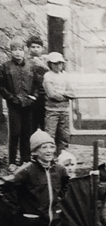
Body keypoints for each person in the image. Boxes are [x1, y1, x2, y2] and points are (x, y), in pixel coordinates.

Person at [0, 38, 40, 170]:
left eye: (20, 50)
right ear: (10, 51)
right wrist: (12, 98)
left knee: (26, 133)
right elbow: (1, 87)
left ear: (24, 51)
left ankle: (25, 160)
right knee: (15, 132)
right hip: (14, 104)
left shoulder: (31, 66)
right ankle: (12, 161)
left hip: (28, 105)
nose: (17, 53)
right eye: (14, 50)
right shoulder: (5, 67)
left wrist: (33, 97)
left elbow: (37, 84)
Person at [42, 52, 73, 156]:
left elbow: (72, 92)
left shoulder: (66, 76)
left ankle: (62, 156)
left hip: (65, 110)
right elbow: (51, 94)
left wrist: (61, 94)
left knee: (64, 135)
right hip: (52, 110)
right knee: (50, 135)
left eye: (60, 63)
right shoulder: (48, 76)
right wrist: (64, 95)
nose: (58, 65)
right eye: (55, 63)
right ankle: (50, 156)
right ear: (50, 64)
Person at [26, 35, 48, 132]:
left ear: (42, 48)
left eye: (38, 47)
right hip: (31, 95)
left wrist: (42, 65)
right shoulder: (25, 61)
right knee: (31, 123)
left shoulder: (47, 61)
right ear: (28, 48)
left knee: (45, 123)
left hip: (45, 95)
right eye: (33, 47)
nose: (35, 50)